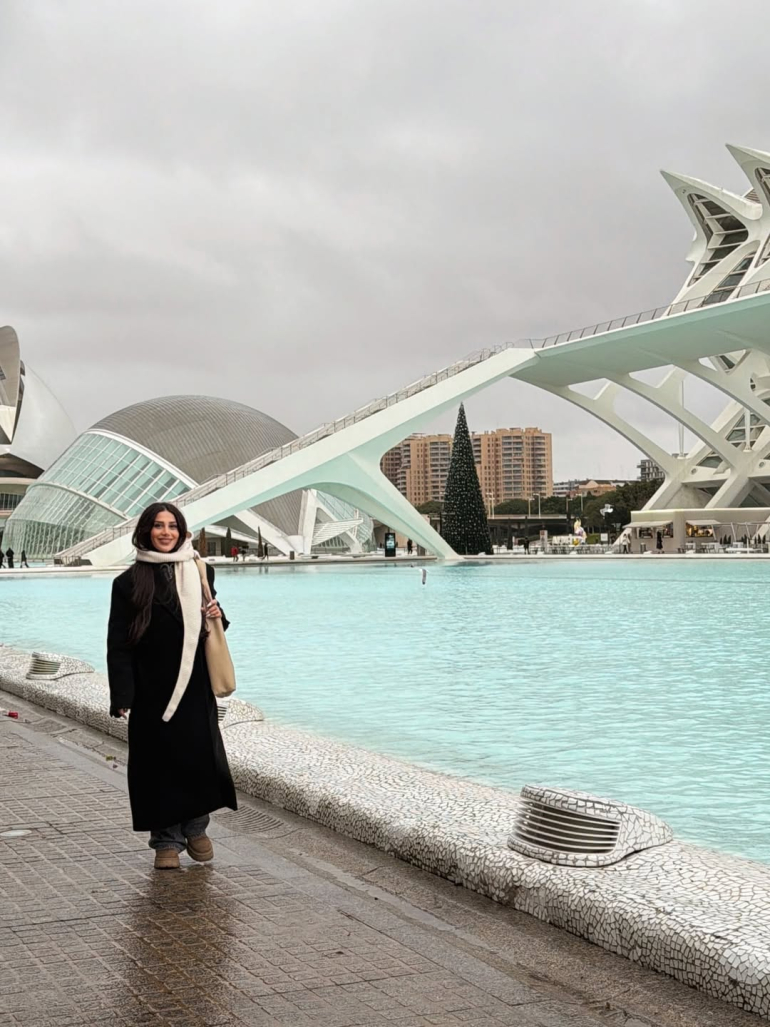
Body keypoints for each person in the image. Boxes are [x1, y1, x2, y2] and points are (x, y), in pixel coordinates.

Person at [107, 502, 237, 870]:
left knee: (197, 757)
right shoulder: (128, 582)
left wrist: (218, 615)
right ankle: (166, 840)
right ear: (145, 531)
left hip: (194, 684)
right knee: (157, 765)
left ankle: (195, 829)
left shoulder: (200, 570)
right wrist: (122, 694)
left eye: (173, 526)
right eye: (158, 526)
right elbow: (118, 643)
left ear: (182, 531)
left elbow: (209, 626)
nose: (166, 533)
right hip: (151, 688)